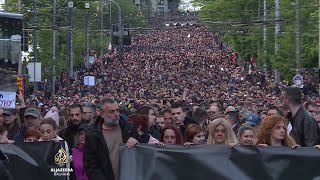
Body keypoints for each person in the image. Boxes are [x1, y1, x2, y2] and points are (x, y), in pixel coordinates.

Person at [83, 99, 139, 180]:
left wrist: (137, 143)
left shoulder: (129, 128)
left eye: (117, 110)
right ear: (101, 114)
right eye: (111, 111)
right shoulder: (92, 135)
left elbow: (141, 155)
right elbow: (91, 165)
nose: (116, 114)